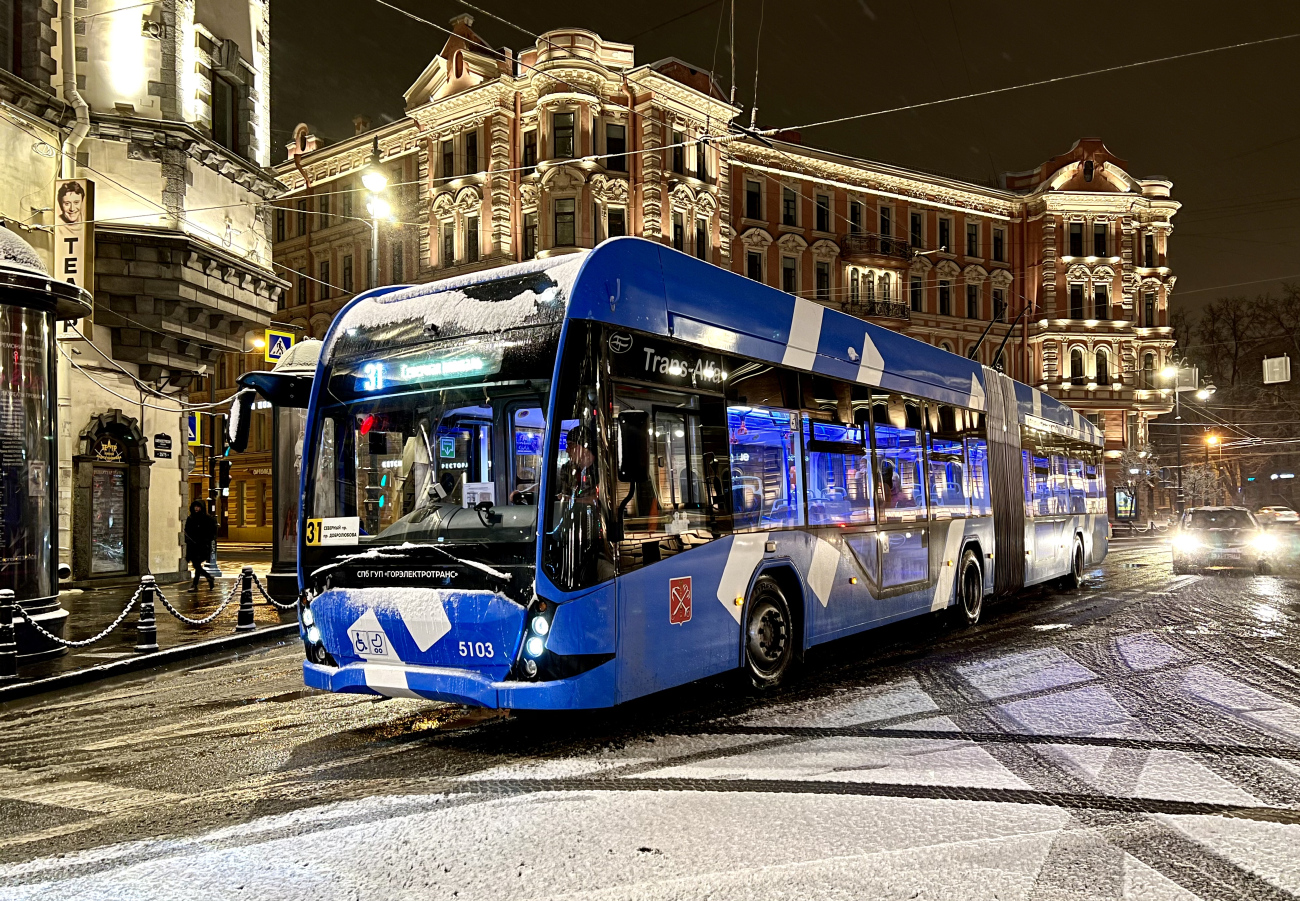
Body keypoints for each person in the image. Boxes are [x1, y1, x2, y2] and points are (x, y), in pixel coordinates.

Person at [184, 500, 217, 590]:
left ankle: (196, 584)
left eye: (198, 507)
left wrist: (205, 540)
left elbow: (212, 532)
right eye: (195, 506)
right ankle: (207, 578)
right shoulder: (190, 518)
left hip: (202, 546)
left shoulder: (208, 519)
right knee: (197, 565)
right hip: (193, 546)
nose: (196, 508)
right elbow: (187, 530)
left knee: (197, 564)